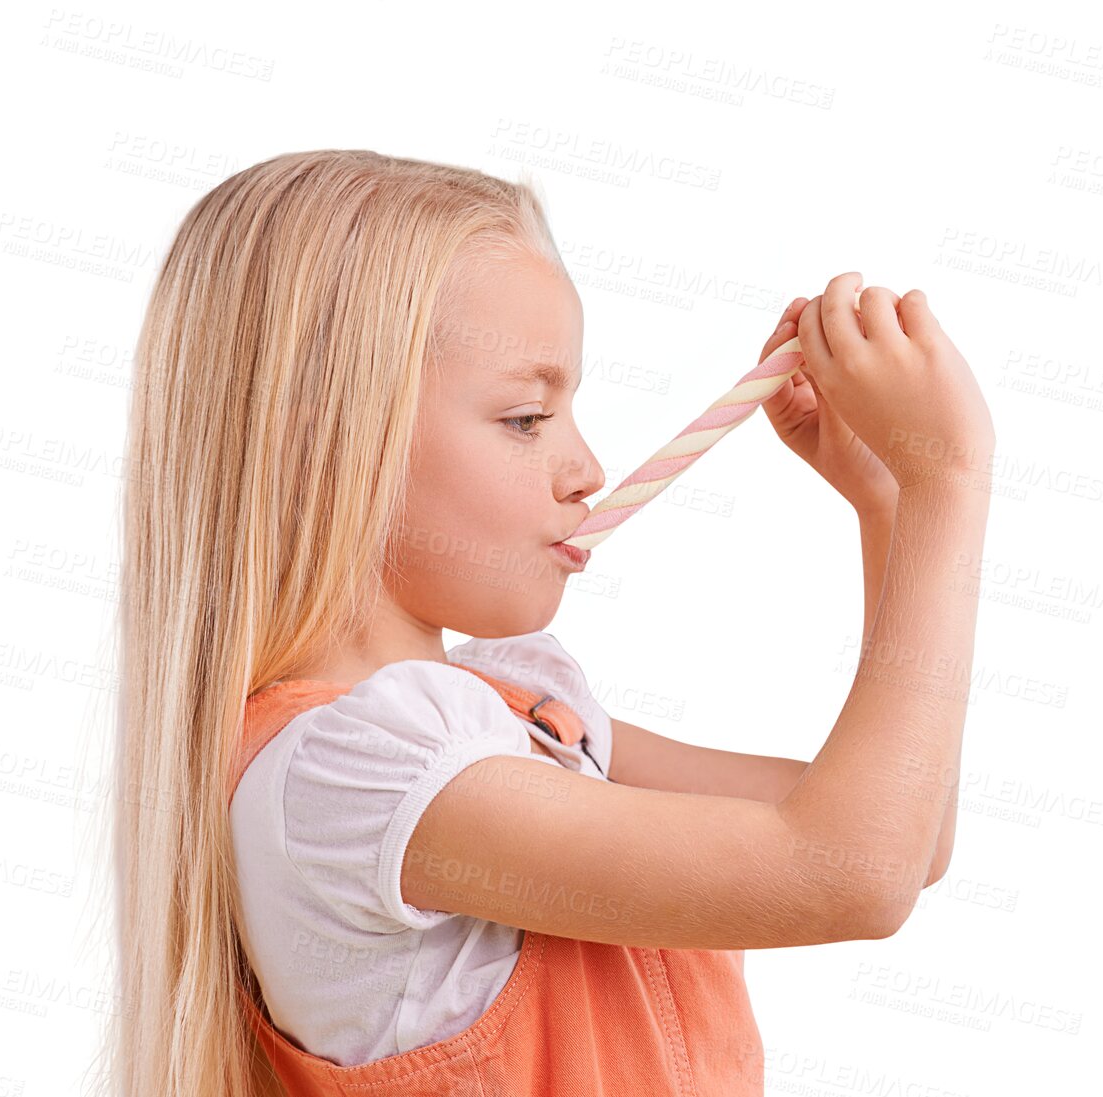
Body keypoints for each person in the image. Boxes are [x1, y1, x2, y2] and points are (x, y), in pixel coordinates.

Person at [108, 148, 995, 1096]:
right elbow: (853, 872)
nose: (586, 468)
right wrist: (949, 483)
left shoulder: (520, 714)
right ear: (330, 441)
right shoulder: (352, 777)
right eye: (528, 417)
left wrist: (889, 509)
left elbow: (909, 832)